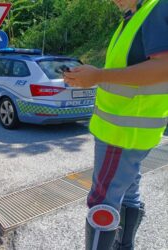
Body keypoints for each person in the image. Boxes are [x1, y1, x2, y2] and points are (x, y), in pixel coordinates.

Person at [63, 0, 168, 249]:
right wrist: (91, 76)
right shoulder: (134, 17)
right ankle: (125, 246)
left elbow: (164, 67)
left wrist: (98, 76)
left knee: (102, 201)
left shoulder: (156, 9)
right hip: (131, 130)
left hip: (121, 132)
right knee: (128, 190)